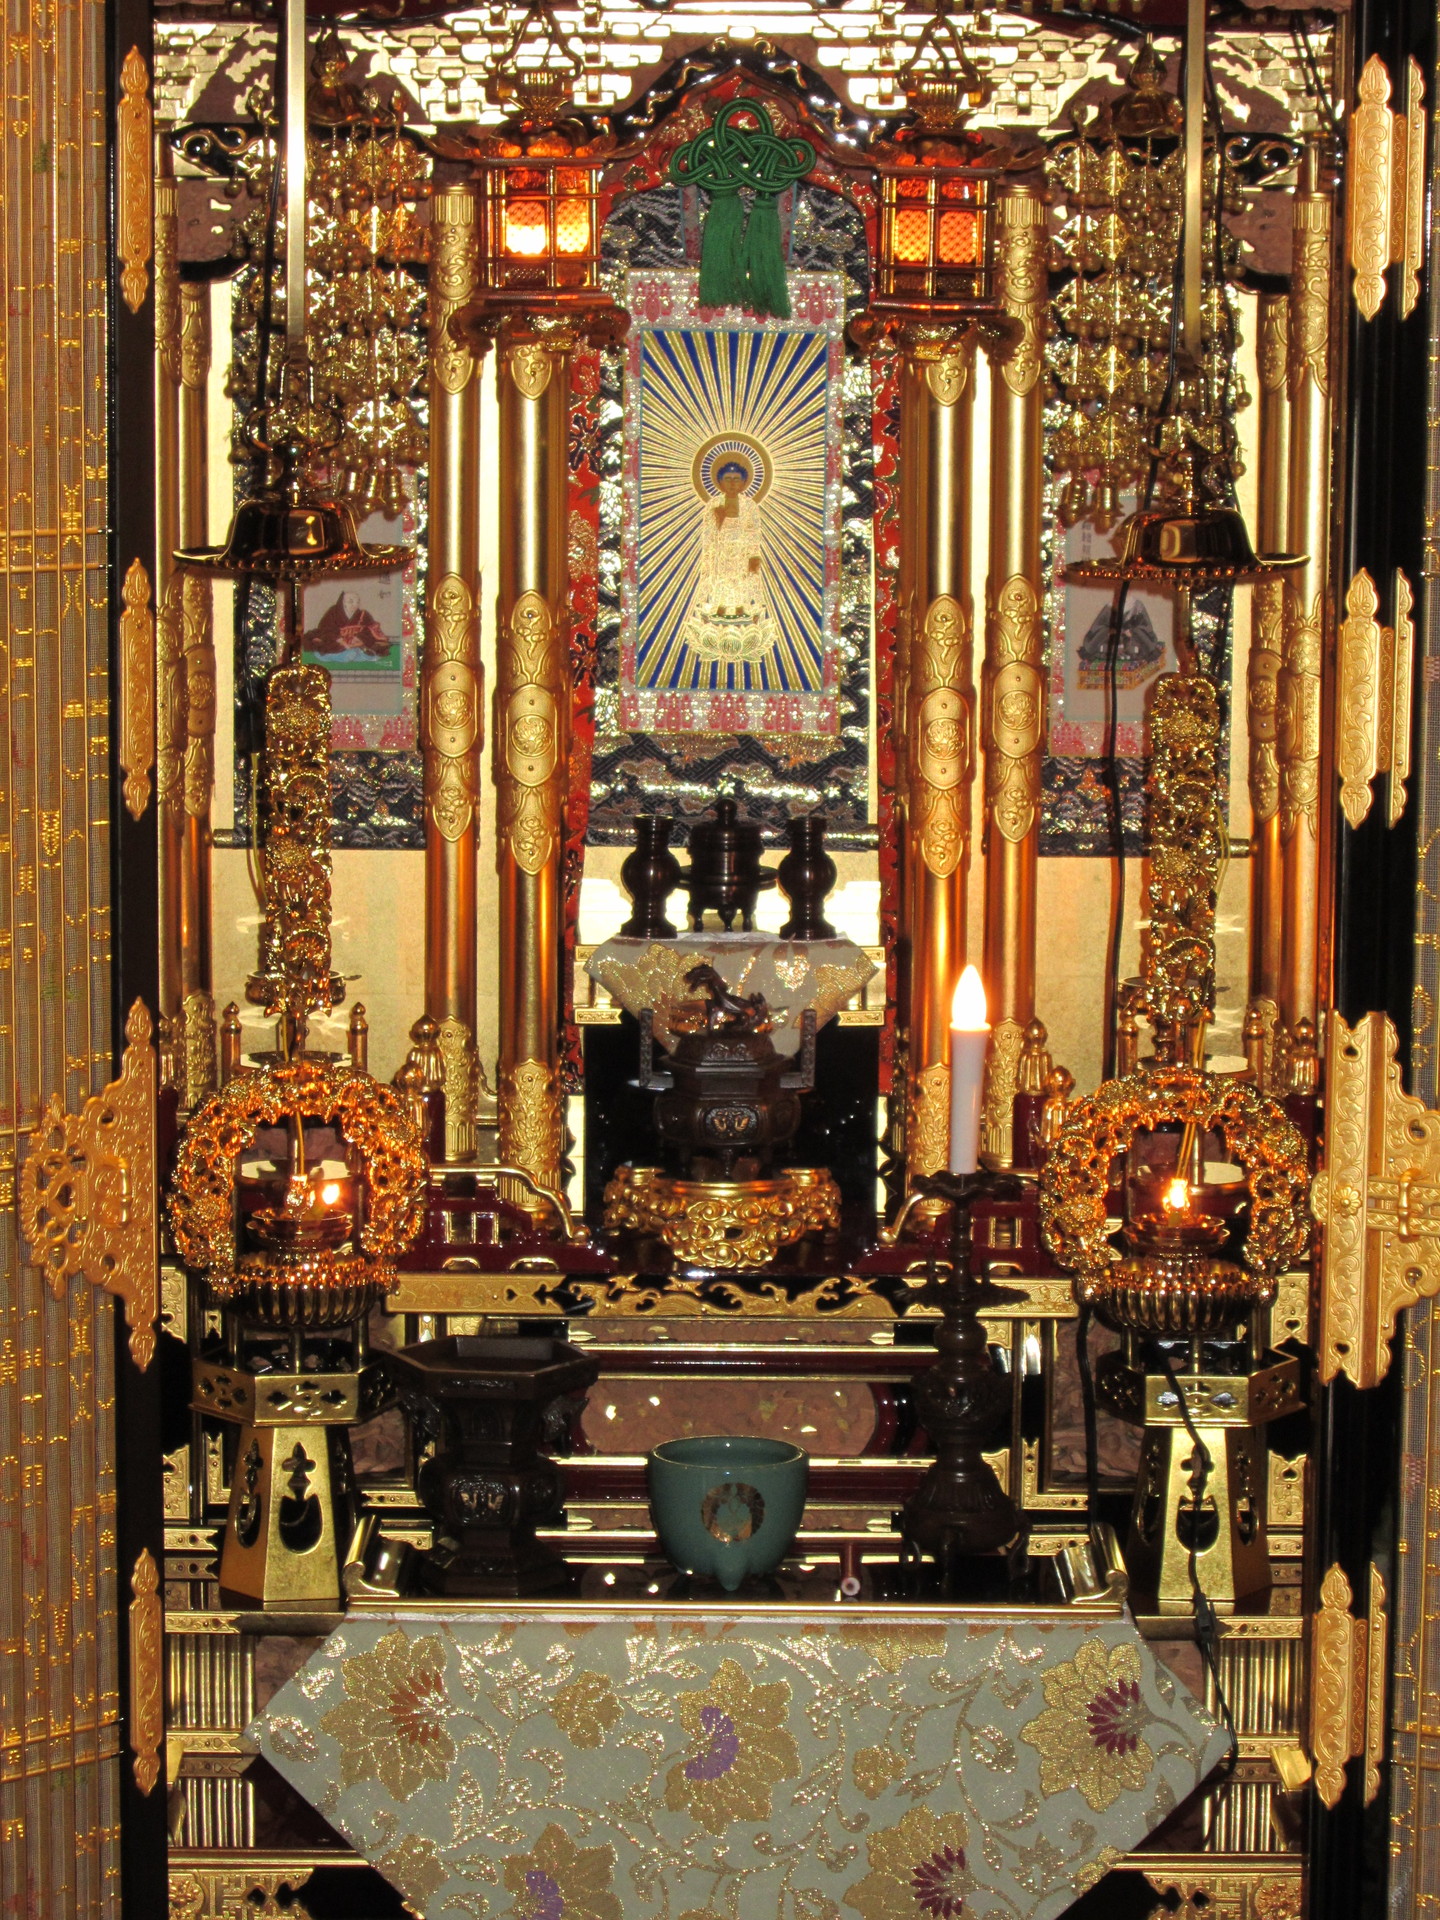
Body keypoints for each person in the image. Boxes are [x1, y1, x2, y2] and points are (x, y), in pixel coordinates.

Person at [678, 457, 780, 664]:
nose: (732, 483)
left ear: (743, 482)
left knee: (741, 580)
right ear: (720, 482)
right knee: (721, 578)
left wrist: (752, 557)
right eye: (728, 478)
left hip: (742, 552)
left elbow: (754, 533)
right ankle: (720, 609)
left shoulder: (750, 506)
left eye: (736, 479)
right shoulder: (714, 504)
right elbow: (709, 533)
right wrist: (711, 554)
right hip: (721, 551)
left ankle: (742, 609)